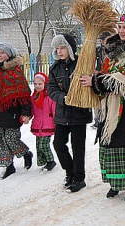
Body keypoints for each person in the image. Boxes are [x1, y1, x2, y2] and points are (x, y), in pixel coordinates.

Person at [80, 12, 125, 201]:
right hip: (109, 106)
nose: (121, 31)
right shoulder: (111, 49)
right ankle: (115, 183)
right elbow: (107, 72)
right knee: (110, 144)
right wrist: (98, 76)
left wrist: (98, 80)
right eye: (119, 27)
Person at [48, 33, 93, 192]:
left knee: (78, 147)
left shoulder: (82, 63)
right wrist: (64, 98)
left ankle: (79, 179)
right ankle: (70, 172)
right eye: (57, 48)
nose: (59, 51)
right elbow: (51, 89)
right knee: (58, 144)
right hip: (63, 112)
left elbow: (90, 81)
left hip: (79, 112)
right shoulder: (55, 67)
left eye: (63, 47)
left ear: (70, 48)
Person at [0, 42, 33, 179]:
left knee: (11, 139)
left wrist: (26, 113)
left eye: (2, 53)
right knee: (0, 140)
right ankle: (9, 166)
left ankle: (26, 154)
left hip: (12, 112)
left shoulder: (15, 72)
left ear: (9, 54)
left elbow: (24, 94)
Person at [30, 72, 57, 171]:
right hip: (38, 124)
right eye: (35, 84)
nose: (37, 86)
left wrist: (56, 121)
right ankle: (43, 162)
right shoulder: (34, 97)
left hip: (48, 124)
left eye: (40, 84)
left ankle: (51, 161)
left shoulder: (49, 97)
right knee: (38, 145)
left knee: (44, 144)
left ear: (45, 84)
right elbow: (31, 110)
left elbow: (54, 110)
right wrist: (26, 117)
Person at [92, 31, 112, 129]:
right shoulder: (98, 50)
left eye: (105, 39)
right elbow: (92, 61)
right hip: (98, 76)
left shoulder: (113, 50)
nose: (103, 41)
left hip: (108, 76)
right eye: (102, 40)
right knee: (98, 99)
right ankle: (98, 119)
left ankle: (106, 117)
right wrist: (95, 71)